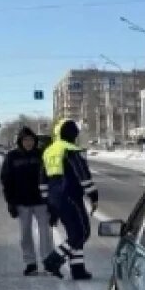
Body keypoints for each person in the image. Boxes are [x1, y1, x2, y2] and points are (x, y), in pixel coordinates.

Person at [41, 119, 98, 280]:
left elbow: (42, 180)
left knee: (74, 233)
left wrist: (49, 205)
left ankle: (78, 269)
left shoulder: (49, 151)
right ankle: (53, 260)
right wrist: (93, 196)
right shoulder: (71, 149)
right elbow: (83, 175)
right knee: (82, 232)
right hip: (71, 196)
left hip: (55, 198)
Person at [0, 126, 53, 276]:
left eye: (30, 140)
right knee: (25, 235)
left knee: (46, 234)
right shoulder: (12, 157)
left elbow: (51, 178)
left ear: (34, 141)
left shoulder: (42, 155)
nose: (28, 142)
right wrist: (10, 201)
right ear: (20, 141)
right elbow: (6, 180)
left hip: (41, 201)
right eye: (25, 140)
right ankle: (30, 263)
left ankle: (48, 262)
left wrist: (52, 200)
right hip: (21, 202)